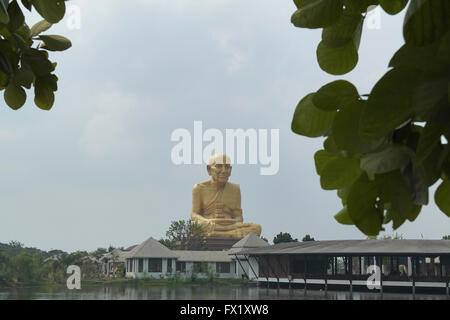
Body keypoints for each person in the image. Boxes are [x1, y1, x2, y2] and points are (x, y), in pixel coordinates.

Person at [190, 154, 262, 238]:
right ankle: (231, 234)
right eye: (219, 166)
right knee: (195, 226)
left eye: (227, 167)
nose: (224, 171)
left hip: (230, 226)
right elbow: (194, 214)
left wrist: (232, 222)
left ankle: (221, 234)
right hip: (210, 224)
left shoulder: (235, 189)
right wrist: (208, 221)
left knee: (256, 228)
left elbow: (238, 216)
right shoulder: (199, 188)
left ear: (231, 169)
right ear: (209, 169)